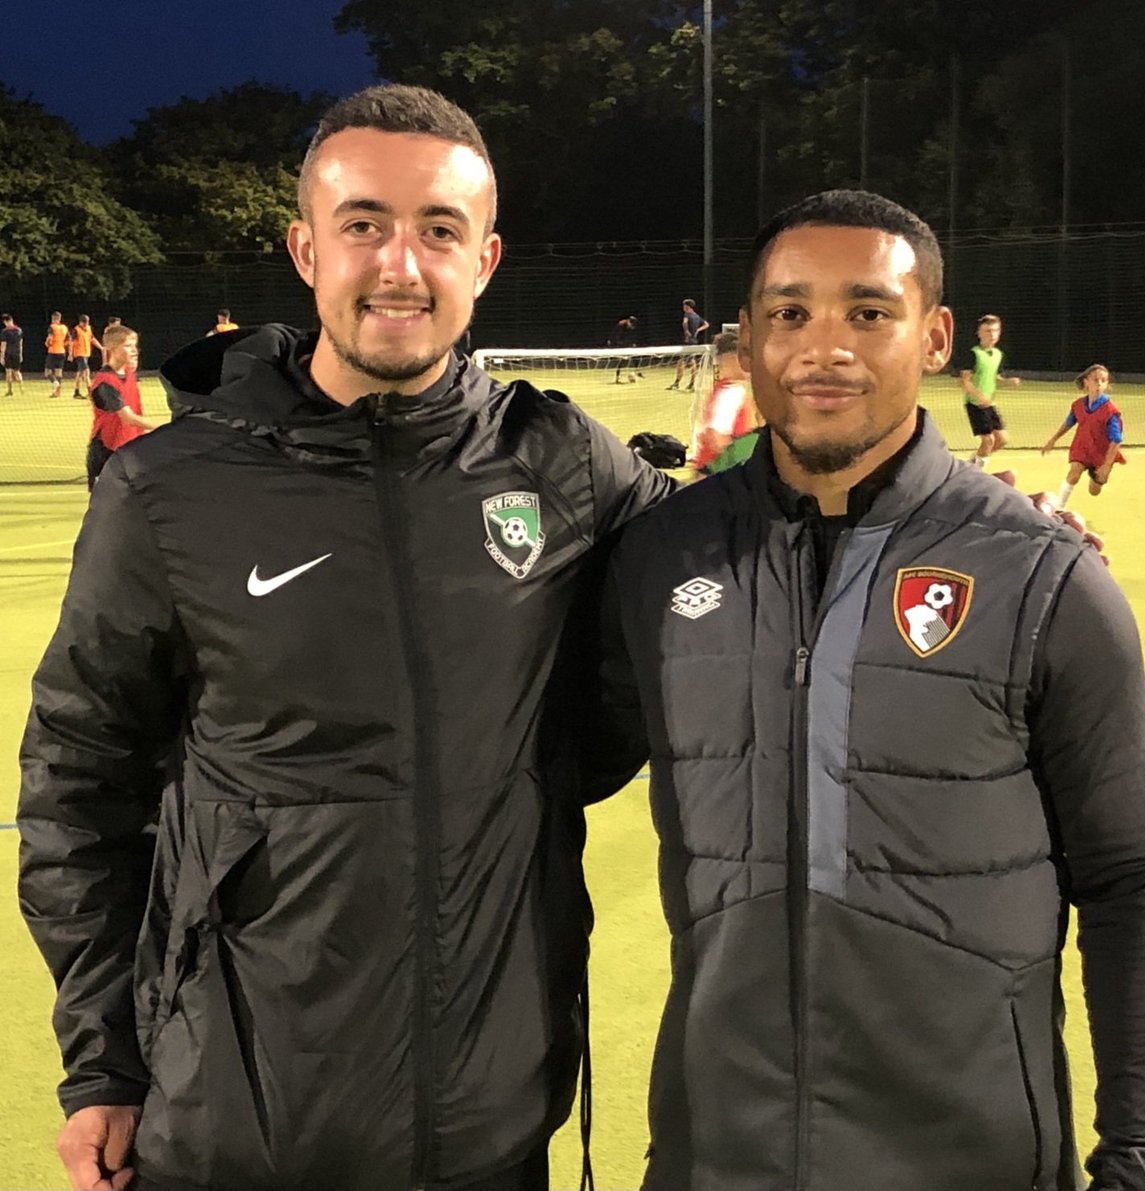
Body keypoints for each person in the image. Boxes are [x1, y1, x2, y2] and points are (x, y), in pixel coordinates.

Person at [17, 83, 671, 1191]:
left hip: (491, 1123)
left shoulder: (563, 462)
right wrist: (102, 1064)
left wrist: (975, 533)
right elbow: (79, 780)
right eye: (364, 224)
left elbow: (741, 561)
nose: (400, 266)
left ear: (488, 258)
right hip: (239, 1120)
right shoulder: (169, 492)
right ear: (307, 248)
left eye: (439, 231)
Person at [592, 190, 1145, 1191]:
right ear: (750, 337)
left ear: (936, 335)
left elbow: (1136, 879)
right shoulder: (661, 556)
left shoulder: (1043, 576)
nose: (825, 346)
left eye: (868, 312)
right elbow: (530, 767)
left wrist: (1136, 1162)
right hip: (711, 1158)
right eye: (789, 313)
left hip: (974, 1160)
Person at [1041, 362, 1126, 508]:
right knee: (1073, 475)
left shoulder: (1111, 411)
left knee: (1094, 491)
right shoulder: (1078, 405)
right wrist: (1053, 440)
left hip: (1101, 453)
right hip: (1082, 447)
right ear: (1086, 382)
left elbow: (1116, 440)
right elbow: (1068, 423)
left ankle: (1098, 477)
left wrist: (1106, 466)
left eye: (1103, 380)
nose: (1099, 383)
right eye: (1095, 380)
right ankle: (1059, 509)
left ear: (1107, 384)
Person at [85, 325, 157, 489]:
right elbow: (128, 417)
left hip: (131, 451)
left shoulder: (129, 374)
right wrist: (162, 428)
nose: (134, 350)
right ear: (112, 348)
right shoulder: (105, 383)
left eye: (135, 346)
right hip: (107, 453)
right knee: (106, 510)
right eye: (128, 345)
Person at [688, 330, 757, 472]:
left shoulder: (726, 388)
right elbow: (717, 439)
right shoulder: (730, 393)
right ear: (731, 360)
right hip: (716, 475)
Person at [959, 313, 1020, 470]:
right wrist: (980, 397)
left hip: (989, 404)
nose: (992, 334)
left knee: (1002, 440)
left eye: (995, 330)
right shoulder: (973, 354)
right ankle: (976, 473)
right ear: (979, 333)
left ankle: (970, 466)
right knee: (988, 441)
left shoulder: (998, 355)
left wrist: (1008, 382)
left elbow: (995, 378)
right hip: (974, 404)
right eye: (987, 331)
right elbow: (964, 381)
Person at [666, 298, 709, 391]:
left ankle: (677, 383)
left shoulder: (687, 314)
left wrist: (686, 332)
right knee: (692, 362)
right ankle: (691, 384)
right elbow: (706, 324)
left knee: (681, 362)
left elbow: (684, 323)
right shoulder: (697, 316)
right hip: (694, 341)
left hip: (688, 341)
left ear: (688, 307)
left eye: (684, 306)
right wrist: (698, 330)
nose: (683, 308)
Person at [608, 314, 642, 384]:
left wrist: (632, 343)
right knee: (622, 360)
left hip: (625, 342)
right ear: (629, 321)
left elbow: (630, 335)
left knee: (635, 356)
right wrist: (625, 345)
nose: (632, 327)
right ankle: (617, 377)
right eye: (632, 325)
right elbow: (616, 336)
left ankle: (638, 372)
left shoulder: (629, 326)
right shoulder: (621, 325)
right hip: (618, 343)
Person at [70, 314, 97, 398]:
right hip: (79, 354)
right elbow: (71, 342)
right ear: (80, 322)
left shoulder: (88, 329)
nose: (86, 325)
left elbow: (92, 339)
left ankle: (76, 392)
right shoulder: (76, 330)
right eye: (84, 323)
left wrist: (101, 347)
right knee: (86, 372)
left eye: (87, 323)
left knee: (80, 373)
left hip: (86, 353)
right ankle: (90, 392)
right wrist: (70, 354)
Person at [44, 310, 69, 398]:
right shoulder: (64, 328)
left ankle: (56, 383)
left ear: (54, 318)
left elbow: (49, 338)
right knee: (59, 373)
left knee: (47, 372)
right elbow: (69, 340)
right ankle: (57, 393)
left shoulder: (52, 327)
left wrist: (47, 343)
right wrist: (62, 344)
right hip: (62, 351)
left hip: (53, 352)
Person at [1, 313, 24, 395]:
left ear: (6, 321)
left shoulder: (5, 331)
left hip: (8, 353)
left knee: (8, 372)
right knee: (17, 371)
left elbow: (3, 344)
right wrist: (21, 354)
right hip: (17, 353)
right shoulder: (19, 330)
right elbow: (21, 343)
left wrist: (1, 356)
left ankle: (10, 390)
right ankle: (22, 389)